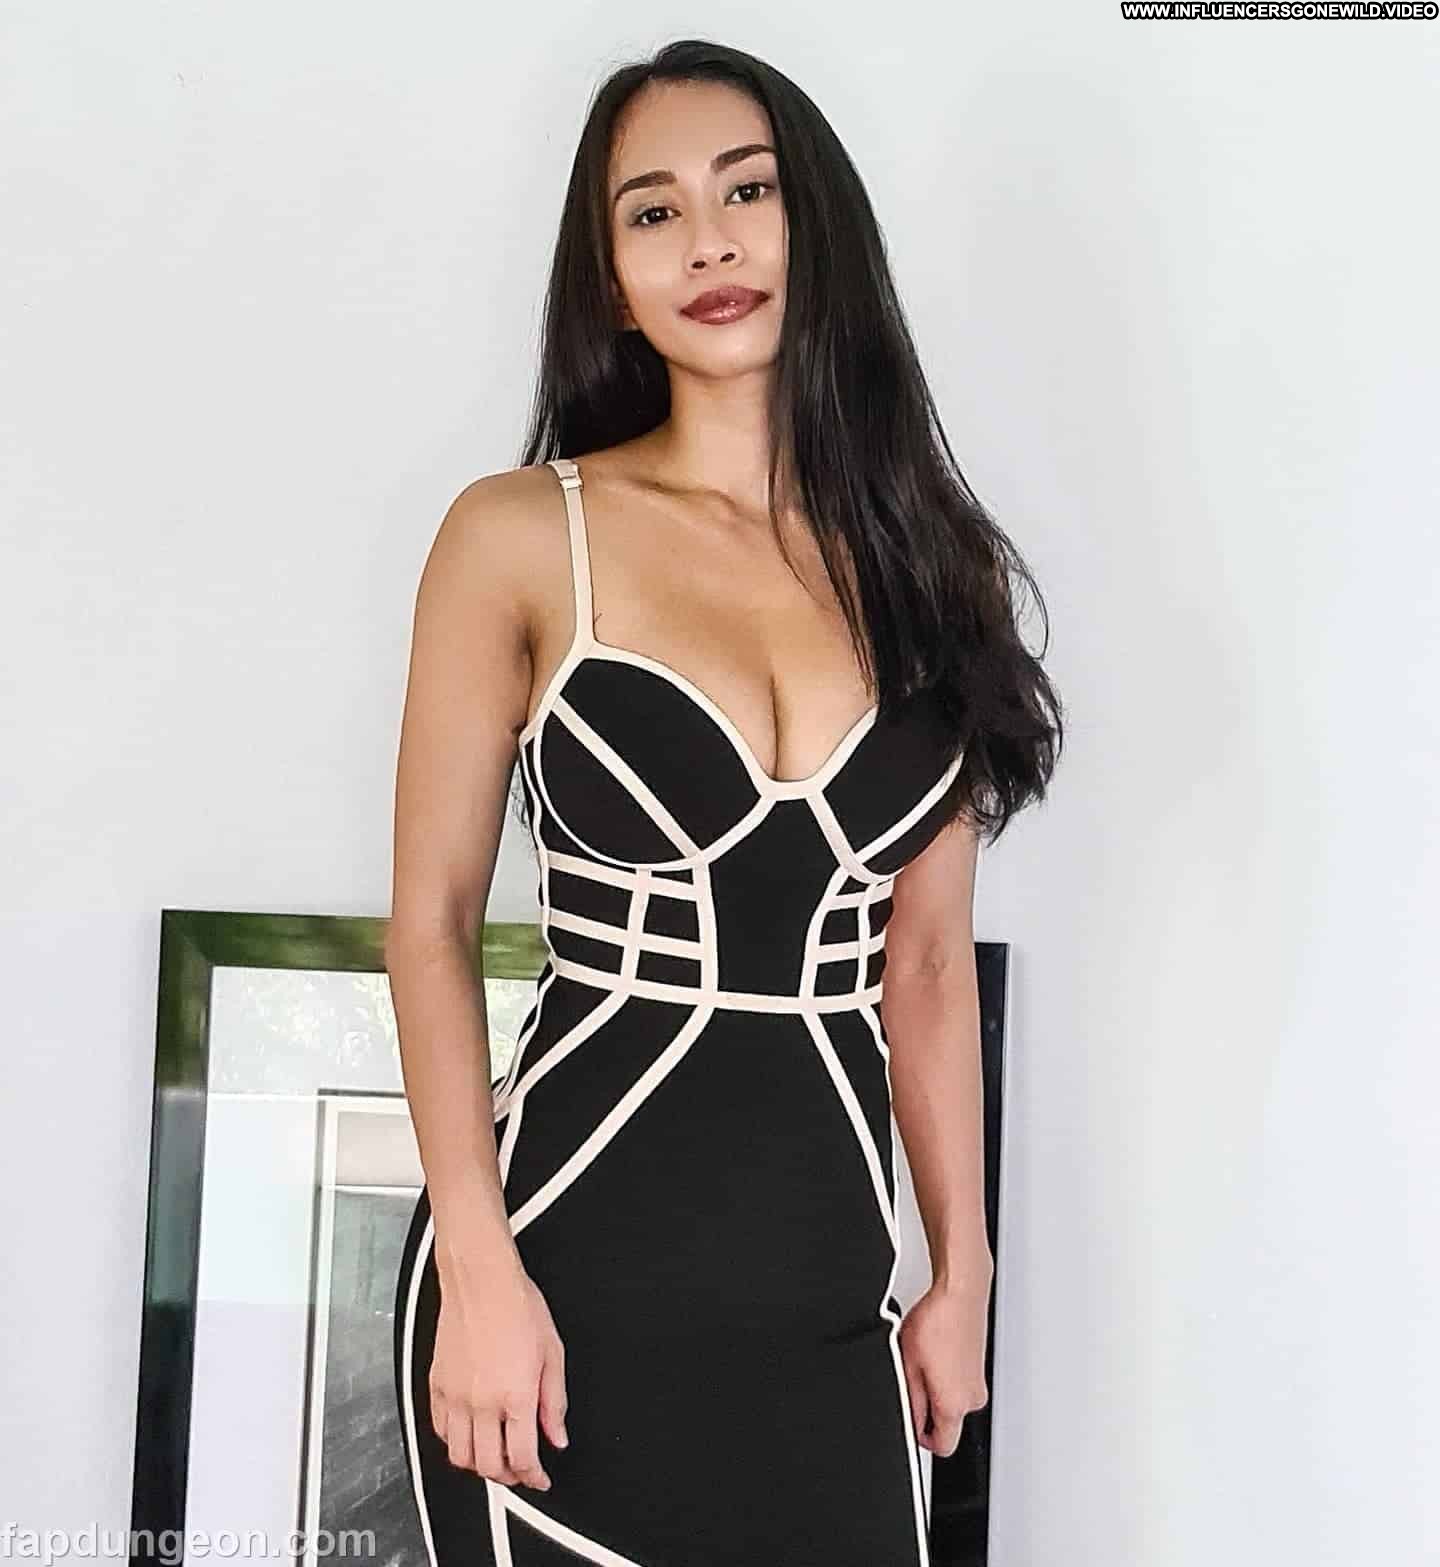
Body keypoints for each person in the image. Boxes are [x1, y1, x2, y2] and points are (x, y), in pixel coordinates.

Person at [386, 37, 1062, 1567]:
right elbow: (430, 923)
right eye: (652, 211)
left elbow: (925, 963)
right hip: (555, 1304)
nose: (707, 241)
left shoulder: (935, 571)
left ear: (818, 221)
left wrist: (962, 1273)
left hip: (827, 1318)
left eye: (746, 190)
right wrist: (479, 1274)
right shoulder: (520, 537)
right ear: (609, 278)